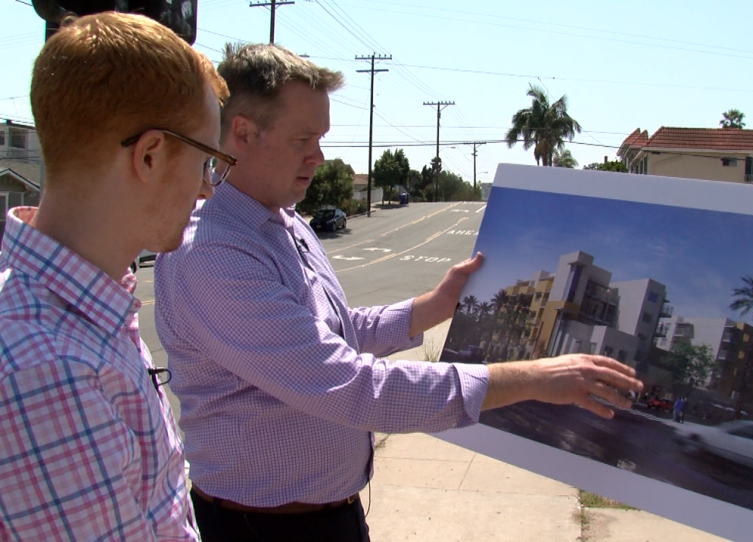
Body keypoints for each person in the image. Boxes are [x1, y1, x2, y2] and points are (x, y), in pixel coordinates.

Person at [153, 43, 644, 542]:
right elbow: (350, 386)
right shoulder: (213, 254)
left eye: (320, 139)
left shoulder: (285, 220)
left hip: (328, 517)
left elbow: (332, 333)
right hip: (262, 528)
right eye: (303, 139)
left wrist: (433, 306)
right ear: (242, 133)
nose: (318, 157)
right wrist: (530, 379)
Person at [0, 12, 231, 540]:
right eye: (205, 162)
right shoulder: (50, 372)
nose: (207, 189)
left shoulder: (86, 314)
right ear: (150, 156)